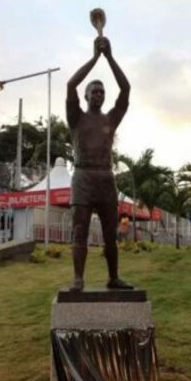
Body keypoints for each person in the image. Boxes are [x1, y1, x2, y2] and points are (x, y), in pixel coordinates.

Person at [67, 36, 133, 291]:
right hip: (83, 177)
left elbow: (126, 90)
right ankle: (78, 278)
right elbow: (71, 83)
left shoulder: (111, 119)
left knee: (110, 233)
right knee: (79, 229)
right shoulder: (77, 118)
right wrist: (95, 58)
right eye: (94, 91)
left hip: (105, 177)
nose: (99, 94)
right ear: (85, 96)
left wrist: (110, 57)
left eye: (102, 92)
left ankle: (113, 277)